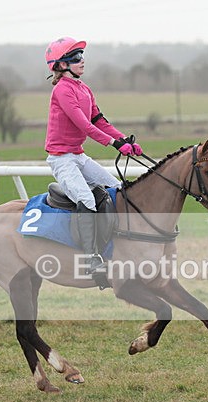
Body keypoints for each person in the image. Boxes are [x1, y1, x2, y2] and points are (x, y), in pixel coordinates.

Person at [44, 36, 142, 284]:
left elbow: (99, 121)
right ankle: (90, 259)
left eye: (82, 56)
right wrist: (115, 144)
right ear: (61, 65)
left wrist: (124, 141)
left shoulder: (84, 88)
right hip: (62, 159)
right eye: (76, 58)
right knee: (86, 198)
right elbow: (85, 125)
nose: (82, 61)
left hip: (78, 155)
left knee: (117, 189)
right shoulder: (62, 90)